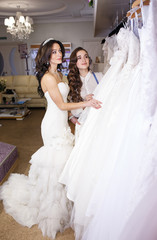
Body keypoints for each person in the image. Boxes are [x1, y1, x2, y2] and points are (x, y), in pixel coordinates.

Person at [0, 39, 101, 239]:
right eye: (54, 52)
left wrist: (79, 106)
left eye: (59, 51)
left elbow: (67, 102)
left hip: (63, 123)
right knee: (56, 164)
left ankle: (64, 202)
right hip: (52, 126)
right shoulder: (47, 77)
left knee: (64, 164)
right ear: (46, 55)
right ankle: (51, 210)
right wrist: (86, 103)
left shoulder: (60, 74)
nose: (58, 54)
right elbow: (61, 106)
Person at [67, 47, 103, 125]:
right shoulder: (72, 82)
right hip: (83, 123)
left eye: (85, 56)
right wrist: (84, 102)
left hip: (100, 120)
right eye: (79, 58)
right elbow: (71, 109)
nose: (83, 60)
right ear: (75, 62)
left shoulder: (100, 76)